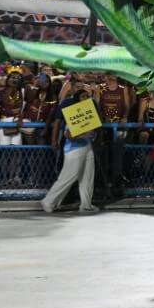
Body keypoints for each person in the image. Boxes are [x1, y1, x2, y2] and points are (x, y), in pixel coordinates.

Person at [41, 84, 99, 213]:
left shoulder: (90, 110)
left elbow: (94, 130)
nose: (85, 97)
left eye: (87, 96)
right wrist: (80, 133)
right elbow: (69, 135)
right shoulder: (74, 113)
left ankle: (86, 204)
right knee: (68, 176)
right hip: (74, 149)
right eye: (83, 96)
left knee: (88, 176)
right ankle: (48, 201)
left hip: (87, 146)